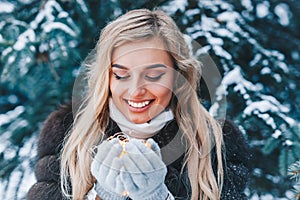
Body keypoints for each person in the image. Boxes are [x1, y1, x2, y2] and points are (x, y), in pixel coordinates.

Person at [27, 9, 251, 200]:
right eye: (121, 75)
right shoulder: (68, 133)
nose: (135, 91)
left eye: (154, 75)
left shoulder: (217, 141)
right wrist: (104, 195)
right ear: (106, 76)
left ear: (178, 75)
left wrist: (157, 196)